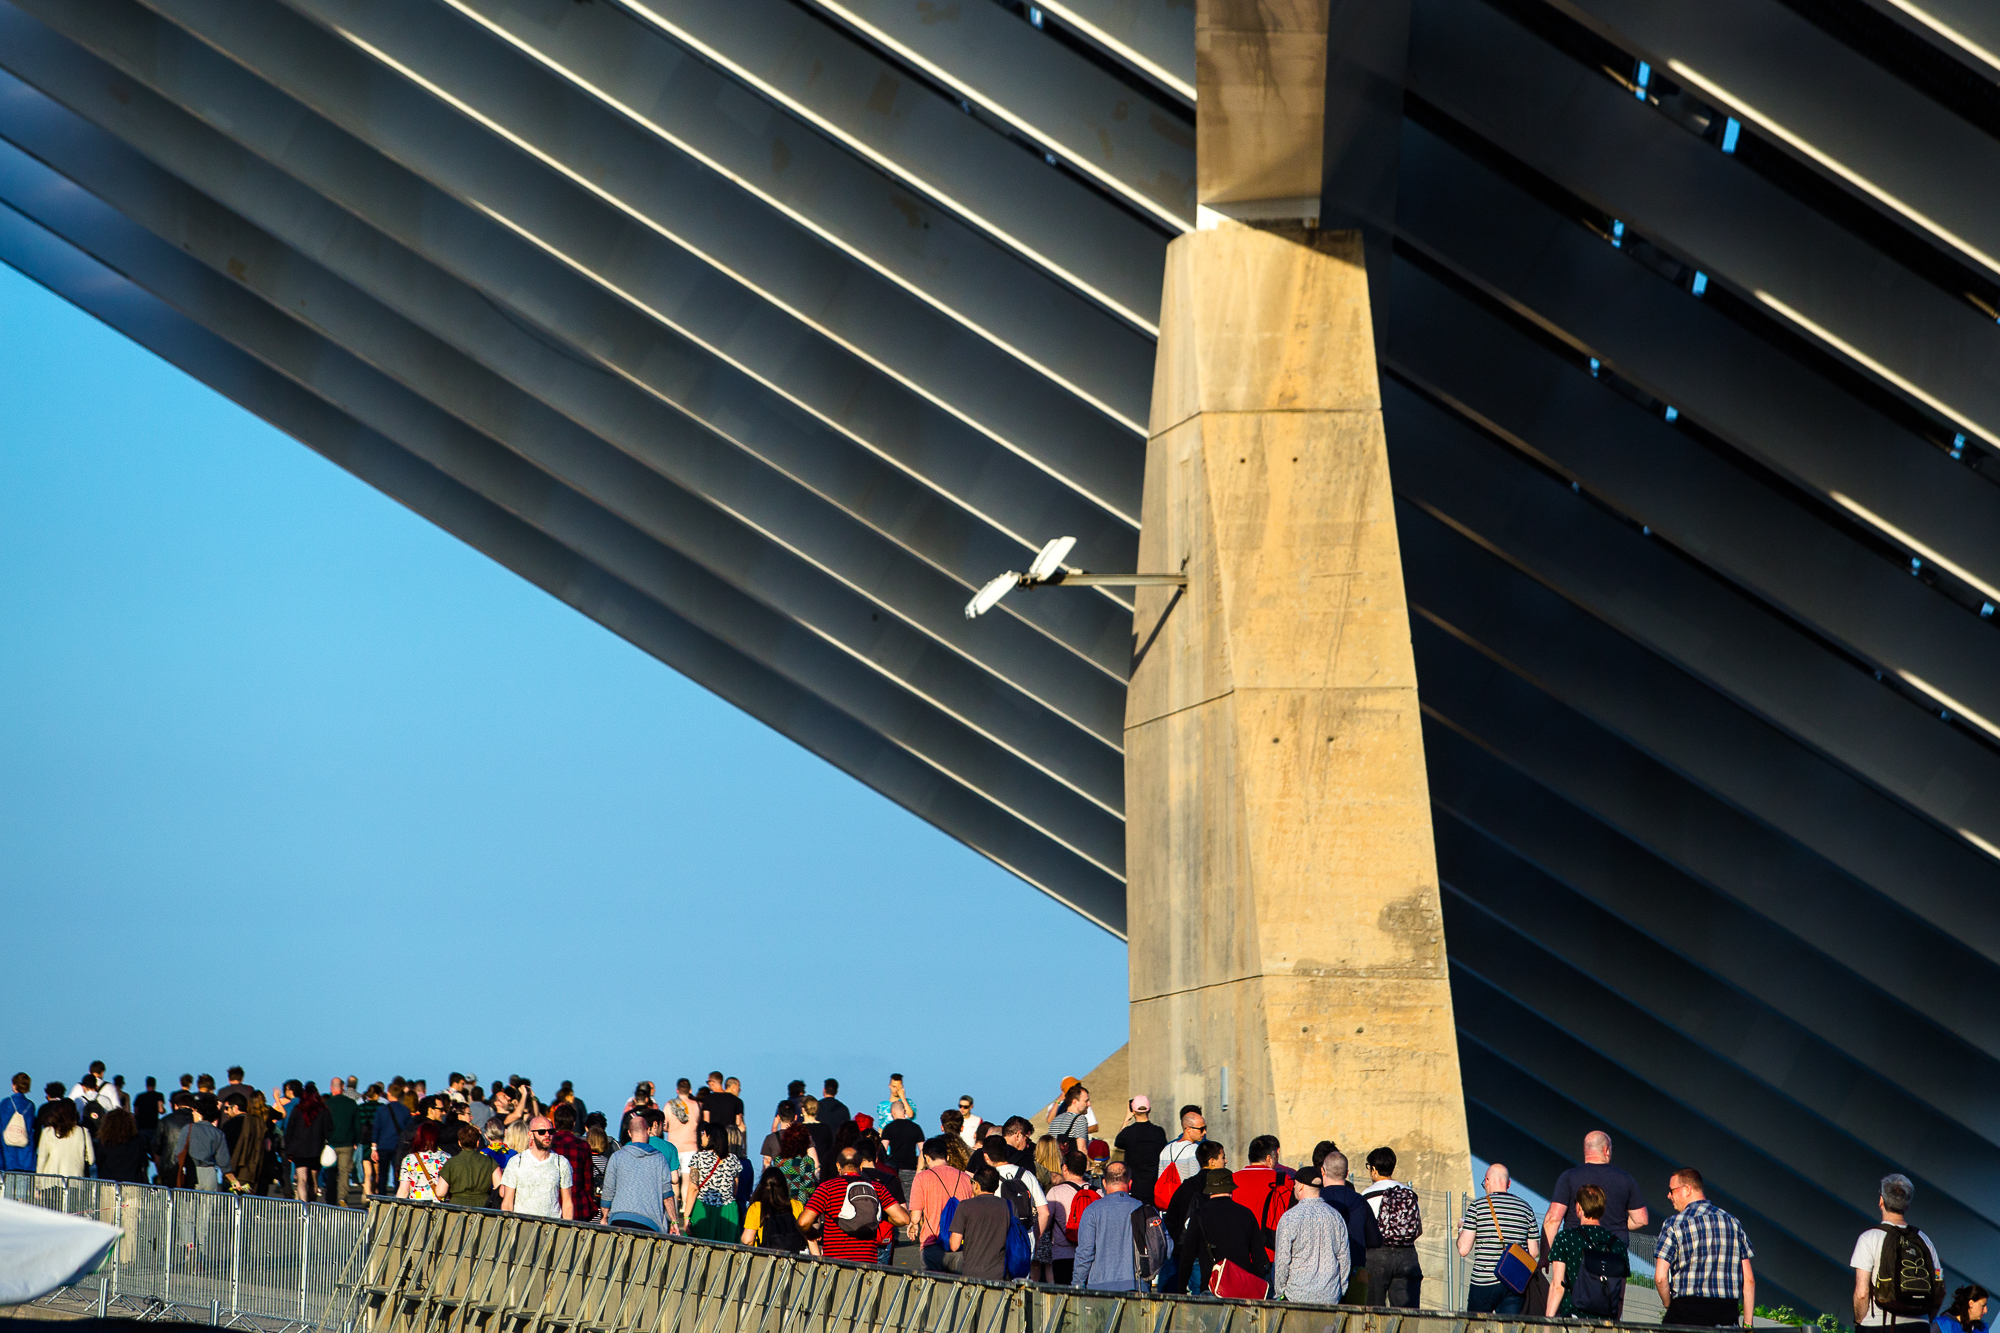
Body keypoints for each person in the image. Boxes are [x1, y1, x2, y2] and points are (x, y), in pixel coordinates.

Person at [1654, 1167, 1754, 1327]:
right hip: (1726, 1315)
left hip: (1686, 1313)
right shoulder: (1733, 1223)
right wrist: (1748, 1326)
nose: (1668, 1195)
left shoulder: (1674, 1224)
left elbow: (1660, 1277)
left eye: (1671, 1190)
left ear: (1687, 1189)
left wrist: (1669, 1306)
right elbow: (1749, 1280)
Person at [1851, 1172, 1943, 1330]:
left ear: (1881, 1200)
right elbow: (1940, 1284)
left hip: (1879, 1325)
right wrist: (1926, 1318)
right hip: (1918, 1324)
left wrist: (1859, 1322)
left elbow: (1862, 1292)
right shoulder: (1924, 1240)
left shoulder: (1869, 1238)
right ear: (1907, 1205)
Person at [801, 1147, 912, 1266]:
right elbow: (903, 1219)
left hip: (834, 1264)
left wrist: (811, 1232)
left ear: (838, 1166)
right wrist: (878, 1217)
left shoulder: (827, 1188)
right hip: (866, 1263)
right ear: (860, 1166)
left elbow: (803, 1222)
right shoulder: (876, 1188)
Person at [1545, 1130, 1648, 1250]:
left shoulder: (1569, 1177)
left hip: (1577, 1251)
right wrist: (1616, 1225)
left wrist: (1545, 1257)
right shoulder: (1625, 1179)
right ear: (1606, 1150)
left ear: (1585, 1150)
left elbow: (1553, 1219)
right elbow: (1641, 1220)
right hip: (1614, 1253)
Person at [1459, 1163, 1539, 1315]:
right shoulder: (1526, 1208)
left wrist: (1461, 1229)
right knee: (1510, 1328)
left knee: (1477, 1327)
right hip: (1513, 1282)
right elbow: (1534, 1252)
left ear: (1487, 1181)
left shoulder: (1477, 1206)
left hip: (1483, 1282)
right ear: (1508, 1184)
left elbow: (1463, 1250)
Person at [1271, 1164, 1350, 1305]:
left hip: (1296, 1296)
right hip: (1330, 1296)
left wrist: (1279, 1293)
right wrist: (1340, 1291)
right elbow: (1344, 1258)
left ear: (1300, 1186)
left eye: (1295, 1185)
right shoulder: (1336, 1216)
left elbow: (1282, 1261)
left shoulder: (1289, 1218)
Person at [1544, 1185, 1628, 1319]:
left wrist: (1547, 1323)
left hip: (1573, 1317)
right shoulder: (1618, 1245)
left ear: (1579, 1207)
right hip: (1605, 1320)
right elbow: (1619, 1294)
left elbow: (1557, 1287)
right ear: (1603, 1208)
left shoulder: (1565, 1238)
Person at [1182, 1169, 1270, 1296]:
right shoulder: (1246, 1214)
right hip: (1242, 1289)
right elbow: (1259, 1259)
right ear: (1231, 1189)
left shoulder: (1199, 1215)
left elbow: (1187, 1256)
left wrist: (1180, 1289)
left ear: (1209, 1190)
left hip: (1211, 1288)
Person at [1071, 1160, 1153, 1291]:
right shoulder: (1144, 1210)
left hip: (1099, 1287)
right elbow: (1164, 1246)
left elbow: (1085, 1253)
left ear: (1104, 1183)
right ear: (1130, 1183)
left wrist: (1077, 1284)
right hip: (1136, 1286)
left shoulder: (1092, 1210)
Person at [1163, 1140, 1229, 1293]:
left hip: (1188, 1252)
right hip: (1213, 1255)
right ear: (1212, 1162)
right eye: (1223, 1157)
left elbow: (1171, 1217)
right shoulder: (1222, 1187)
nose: (1226, 1161)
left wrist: (1181, 1241)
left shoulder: (1187, 1185)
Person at [1361, 1147, 1423, 1308]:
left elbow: (1364, 1230)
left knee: (1372, 1312)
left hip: (1377, 1255)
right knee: (1407, 1314)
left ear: (1374, 1169)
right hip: (1407, 1255)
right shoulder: (1408, 1192)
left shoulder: (1366, 1195)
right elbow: (1418, 1229)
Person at [601, 1111, 682, 1233]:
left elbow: (608, 1190)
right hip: (650, 1222)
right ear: (648, 1130)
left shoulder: (617, 1157)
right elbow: (667, 1194)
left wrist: (604, 1216)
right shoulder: (659, 1158)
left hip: (619, 1219)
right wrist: (674, 1221)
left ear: (629, 1133)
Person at [1317, 1150, 1377, 1303]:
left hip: (1321, 1277)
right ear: (1347, 1172)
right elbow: (1375, 1240)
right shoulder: (1361, 1202)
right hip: (1354, 1275)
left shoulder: (1317, 1201)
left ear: (1322, 1171)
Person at [909, 1136, 975, 1271]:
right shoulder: (966, 1178)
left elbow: (915, 1217)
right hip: (962, 1247)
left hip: (933, 1245)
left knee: (932, 1290)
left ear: (926, 1158)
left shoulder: (921, 1178)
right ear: (947, 1157)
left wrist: (913, 1224)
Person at [1231, 1136, 1293, 1260]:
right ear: (1269, 1158)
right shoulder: (1283, 1181)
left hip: (1239, 1253)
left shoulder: (1232, 1180)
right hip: (1272, 1253)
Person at [500, 1117, 573, 1219]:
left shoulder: (561, 1163)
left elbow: (567, 1202)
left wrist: (567, 1231)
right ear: (531, 1135)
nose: (547, 1135)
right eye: (542, 1132)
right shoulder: (516, 1162)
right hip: (522, 1227)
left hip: (552, 1228)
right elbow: (507, 1202)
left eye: (550, 1131)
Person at [947, 1166, 1013, 1280]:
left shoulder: (965, 1206)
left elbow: (954, 1245)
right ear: (996, 1186)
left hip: (972, 1273)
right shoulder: (1009, 1206)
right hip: (1000, 1273)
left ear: (977, 1184)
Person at [683, 1123, 745, 1240]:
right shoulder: (733, 1159)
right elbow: (734, 1190)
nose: (701, 1137)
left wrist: (686, 1216)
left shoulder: (698, 1158)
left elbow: (694, 1188)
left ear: (709, 1136)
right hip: (728, 1210)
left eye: (703, 1134)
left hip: (704, 1207)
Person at [1041, 1149, 1095, 1284]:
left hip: (1062, 1255)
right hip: (1091, 1256)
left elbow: (1046, 1222)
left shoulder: (1056, 1192)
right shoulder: (1098, 1192)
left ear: (1064, 1168)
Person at [741, 1166, 811, 1253]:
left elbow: (748, 1240)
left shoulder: (757, 1208)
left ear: (762, 1186)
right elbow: (808, 1236)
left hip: (766, 1259)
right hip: (795, 1259)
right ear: (784, 1186)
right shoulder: (796, 1205)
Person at [547, 1103, 598, 1221]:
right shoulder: (583, 1146)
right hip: (577, 1206)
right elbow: (588, 1181)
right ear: (574, 1123)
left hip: (552, 1204)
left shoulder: (549, 1144)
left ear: (554, 1123)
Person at [285, 1083, 332, 1202]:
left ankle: (304, 1206)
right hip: (316, 1149)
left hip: (299, 1149)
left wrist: (288, 1150)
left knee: (302, 1180)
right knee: (314, 1180)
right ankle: (312, 1203)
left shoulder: (298, 1109)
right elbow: (329, 1128)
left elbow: (290, 1130)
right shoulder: (323, 1110)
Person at [1153, 1106, 1208, 1208]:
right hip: (1187, 1205)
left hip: (1168, 1205)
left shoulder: (1166, 1150)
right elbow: (1196, 1184)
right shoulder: (1194, 1150)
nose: (1204, 1132)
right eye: (1201, 1129)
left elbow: (1160, 1180)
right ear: (1188, 1129)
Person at [1114, 1097, 1165, 1204]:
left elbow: (1118, 1142)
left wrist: (1127, 1119)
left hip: (1134, 1186)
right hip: (1153, 1186)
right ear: (1149, 1110)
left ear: (1133, 1111)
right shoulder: (1158, 1132)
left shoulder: (1128, 1133)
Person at [441, 1123, 500, 1210]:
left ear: (459, 1143)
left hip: (456, 1208)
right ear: (478, 1143)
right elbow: (498, 1185)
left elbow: (440, 1192)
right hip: (483, 1208)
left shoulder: (451, 1162)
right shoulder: (489, 1161)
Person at [322, 1078, 362, 1207]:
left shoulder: (327, 1104)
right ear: (342, 1087)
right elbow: (357, 1125)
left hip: (331, 1143)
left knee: (330, 1172)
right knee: (344, 1172)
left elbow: (324, 1124)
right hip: (347, 1143)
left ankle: (330, 1197)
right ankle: (342, 1197)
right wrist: (356, 1140)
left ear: (331, 1087)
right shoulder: (351, 1104)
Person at [372, 1081, 414, 1197]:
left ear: (389, 1093)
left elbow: (376, 1128)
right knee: (398, 1174)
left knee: (382, 1175)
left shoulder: (382, 1110)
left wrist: (373, 1148)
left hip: (383, 1145)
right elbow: (408, 1130)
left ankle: (381, 1197)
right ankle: (397, 1196)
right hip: (398, 1146)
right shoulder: (405, 1110)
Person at [184, 1097, 235, 1191]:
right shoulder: (218, 1133)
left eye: (194, 1111)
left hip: (192, 1172)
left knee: (190, 1204)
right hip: (210, 1173)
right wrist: (234, 1181)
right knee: (209, 1205)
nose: (192, 1113)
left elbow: (178, 1152)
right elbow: (223, 1162)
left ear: (201, 1113)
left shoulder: (189, 1129)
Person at [36, 1099, 94, 1178]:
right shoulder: (83, 1132)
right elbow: (91, 1159)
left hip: (51, 1178)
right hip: (76, 1179)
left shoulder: (48, 1131)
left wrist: (38, 1180)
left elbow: (42, 1158)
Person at [396, 1122, 453, 1202]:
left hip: (417, 1206)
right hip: (440, 1207)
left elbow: (403, 1191)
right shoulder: (447, 1158)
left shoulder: (409, 1160)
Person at [881, 1103, 924, 1200]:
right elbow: (922, 1150)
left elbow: (883, 1151)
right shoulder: (915, 1127)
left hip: (894, 1170)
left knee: (896, 1199)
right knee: (910, 1199)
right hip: (911, 1169)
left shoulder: (889, 1128)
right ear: (904, 1111)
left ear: (893, 1112)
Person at [95, 1108, 150, 1184]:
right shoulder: (138, 1141)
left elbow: (99, 1162)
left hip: (109, 1184)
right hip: (133, 1184)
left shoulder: (104, 1142)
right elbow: (143, 1163)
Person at [152, 1090, 195, 1186]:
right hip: (193, 1171)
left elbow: (156, 1148)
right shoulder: (197, 1121)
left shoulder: (165, 1121)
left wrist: (160, 1173)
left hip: (169, 1168)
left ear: (175, 1105)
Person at [772, 1124, 819, 1201]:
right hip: (800, 1205)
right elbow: (810, 1188)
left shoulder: (778, 1160)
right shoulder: (807, 1161)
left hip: (782, 1203)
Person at [1, 1073, 36, 1173]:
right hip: (26, 1152)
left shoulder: (6, 1103)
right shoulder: (30, 1105)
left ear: (14, 1085)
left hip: (7, 1151)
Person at [133, 1077, 164, 1144]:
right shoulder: (159, 1096)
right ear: (155, 1085)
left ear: (146, 1085)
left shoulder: (139, 1097)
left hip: (142, 1126)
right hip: (154, 1125)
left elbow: (136, 1112)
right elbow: (160, 1110)